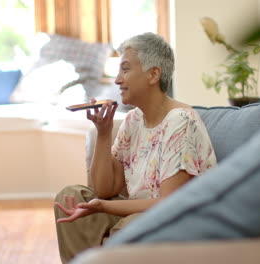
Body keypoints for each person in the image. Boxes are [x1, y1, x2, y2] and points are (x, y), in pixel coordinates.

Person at [54, 32, 217, 263]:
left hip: (177, 219)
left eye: (126, 69)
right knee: (71, 196)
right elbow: (104, 189)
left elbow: (168, 203)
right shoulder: (133, 120)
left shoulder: (181, 121)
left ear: (153, 74)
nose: (117, 80)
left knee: (132, 224)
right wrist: (103, 133)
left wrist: (104, 207)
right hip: (137, 211)